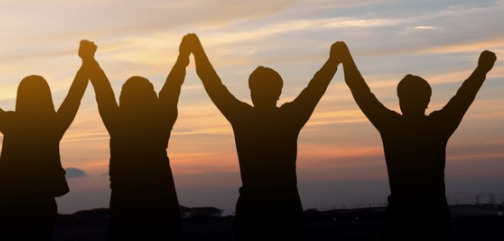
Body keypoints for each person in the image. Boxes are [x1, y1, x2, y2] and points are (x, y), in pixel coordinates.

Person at [191, 35, 338, 240]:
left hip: (252, 211)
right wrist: (333, 61)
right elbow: (316, 87)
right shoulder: (290, 117)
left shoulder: (242, 117)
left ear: (252, 91)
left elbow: (211, 82)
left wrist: (197, 50)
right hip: (286, 211)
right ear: (279, 91)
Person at [340, 43, 494, 240]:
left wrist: (345, 59)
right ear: (428, 99)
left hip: (401, 219)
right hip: (435, 219)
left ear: (400, 101)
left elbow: (360, 92)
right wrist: (482, 69)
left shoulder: (391, 126)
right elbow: (464, 95)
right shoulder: (438, 126)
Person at [0, 41, 90, 240]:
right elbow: (74, 97)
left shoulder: (12, 122)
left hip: (9, 201)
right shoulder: (54, 125)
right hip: (41, 202)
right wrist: (86, 64)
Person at [86, 37, 188, 241]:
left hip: (126, 201)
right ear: (152, 97)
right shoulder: (160, 121)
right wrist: (183, 57)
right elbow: (172, 87)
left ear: (124, 98)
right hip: (161, 199)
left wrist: (90, 60)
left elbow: (102, 91)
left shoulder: (118, 123)